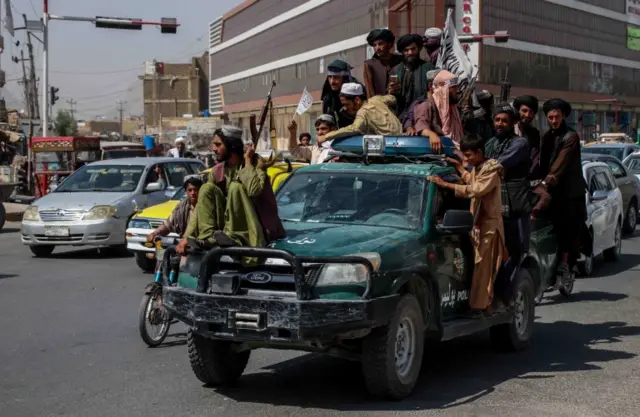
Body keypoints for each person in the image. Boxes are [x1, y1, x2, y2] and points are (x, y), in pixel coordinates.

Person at [427, 134, 507, 314]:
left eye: (469, 155)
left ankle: (483, 307)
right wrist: (457, 166)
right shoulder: (478, 168)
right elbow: (470, 179)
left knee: (484, 269)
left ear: (479, 153)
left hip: (489, 227)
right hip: (477, 226)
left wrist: (445, 185)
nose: (466, 159)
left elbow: (476, 190)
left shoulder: (491, 169)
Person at [177, 126, 285, 255]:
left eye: (218, 144)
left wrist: (248, 161)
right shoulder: (217, 171)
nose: (213, 149)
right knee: (206, 188)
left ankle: (237, 236)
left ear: (231, 145)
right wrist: (186, 237)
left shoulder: (255, 164)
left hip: (256, 227)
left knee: (235, 187)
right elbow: (201, 205)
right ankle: (207, 238)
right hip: (226, 228)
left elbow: (253, 190)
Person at [539, 98, 587, 282]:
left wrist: (547, 180)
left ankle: (565, 266)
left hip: (570, 193)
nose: (553, 121)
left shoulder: (571, 137)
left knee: (569, 230)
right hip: (552, 192)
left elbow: (560, 163)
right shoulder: (547, 136)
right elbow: (541, 162)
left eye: (556, 117)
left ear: (564, 116)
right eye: (550, 117)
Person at [484, 104, 531, 281]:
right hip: (495, 206)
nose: (500, 123)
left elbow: (497, 164)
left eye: (504, 121)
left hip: (515, 205)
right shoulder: (490, 143)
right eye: (497, 120)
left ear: (512, 124)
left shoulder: (520, 143)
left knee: (515, 251)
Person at [317, 83, 402, 143]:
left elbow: (354, 128)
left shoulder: (363, 112)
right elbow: (393, 99)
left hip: (390, 145)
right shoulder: (377, 99)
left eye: (347, 104)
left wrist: (326, 137)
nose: (346, 108)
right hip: (402, 139)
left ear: (357, 100)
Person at [413, 70, 463, 154]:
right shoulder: (426, 105)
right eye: (453, 88)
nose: (457, 91)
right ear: (444, 89)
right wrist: (431, 134)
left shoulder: (453, 108)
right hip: (438, 152)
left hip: (455, 149)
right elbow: (421, 126)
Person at [389, 34, 436, 119]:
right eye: (406, 50)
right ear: (402, 52)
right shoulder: (395, 70)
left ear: (419, 48)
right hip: (401, 115)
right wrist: (391, 92)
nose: (410, 53)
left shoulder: (429, 68)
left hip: (423, 114)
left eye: (413, 49)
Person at [147, 175, 203, 242]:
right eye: (190, 190)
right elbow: (168, 224)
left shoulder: (206, 206)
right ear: (186, 192)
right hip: (185, 246)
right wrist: (155, 233)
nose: (193, 193)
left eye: (196, 190)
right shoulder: (182, 207)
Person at [363, 29, 403, 98]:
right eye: (374, 45)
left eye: (380, 44)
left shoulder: (401, 61)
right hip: (379, 106)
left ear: (389, 44)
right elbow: (370, 92)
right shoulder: (369, 64)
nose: (377, 48)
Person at [321, 60, 362, 128]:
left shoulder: (358, 93)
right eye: (330, 77)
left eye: (336, 77)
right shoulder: (328, 98)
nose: (332, 82)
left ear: (345, 79)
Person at [402, 69, 441, 135]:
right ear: (430, 85)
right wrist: (409, 127)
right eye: (441, 84)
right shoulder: (421, 103)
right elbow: (409, 117)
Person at [513, 95, 542, 179]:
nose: (527, 115)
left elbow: (535, 156)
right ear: (518, 111)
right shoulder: (508, 129)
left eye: (531, 112)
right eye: (524, 111)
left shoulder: (534, 133)